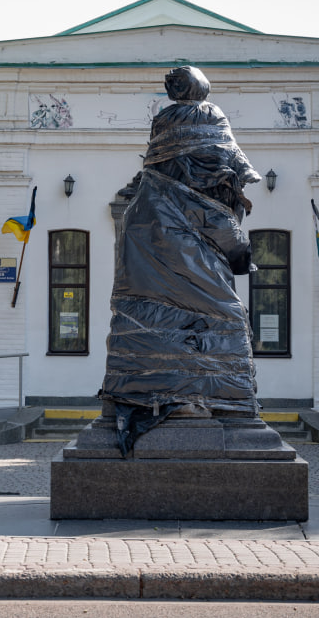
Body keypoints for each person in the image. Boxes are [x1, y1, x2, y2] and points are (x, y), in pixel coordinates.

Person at [98, 65, 262, 453]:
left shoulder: (144, 199)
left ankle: (150, 391)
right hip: (183, 248)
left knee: (152, 320)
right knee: (225, 318)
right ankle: (204, 400)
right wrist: (241, 254)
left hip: (146, 245)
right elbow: (225, 225)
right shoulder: (198, 192)